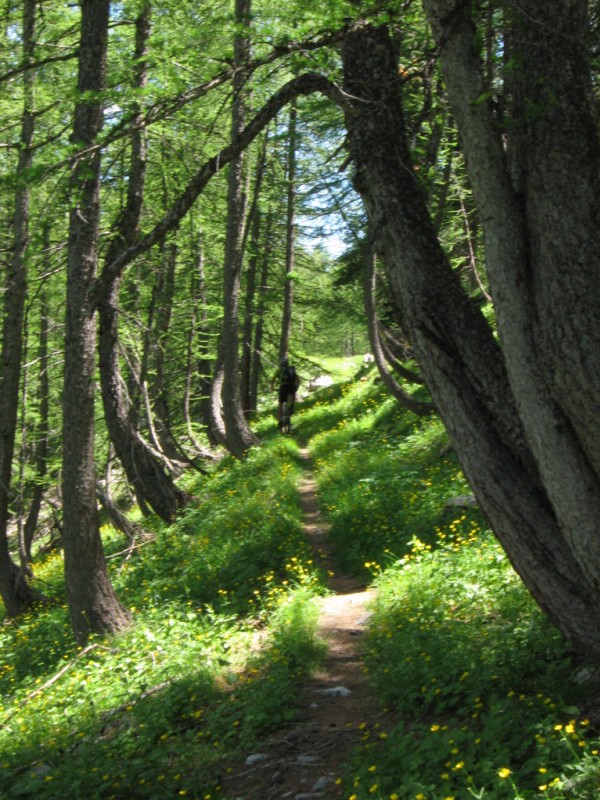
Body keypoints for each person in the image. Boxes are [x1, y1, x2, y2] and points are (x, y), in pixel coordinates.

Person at [271, 357, 300, 429]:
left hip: (283, 387)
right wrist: (296, 388)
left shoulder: (279, 370)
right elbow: (298, 380)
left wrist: (272, 387)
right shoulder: (291, 370)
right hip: (291, 387)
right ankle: (291, 408)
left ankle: (280, 420)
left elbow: (273, 380)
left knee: (280, 403)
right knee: (291, 397)